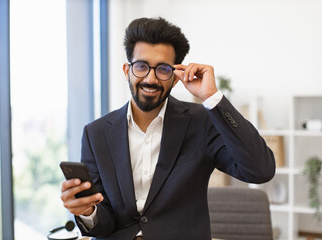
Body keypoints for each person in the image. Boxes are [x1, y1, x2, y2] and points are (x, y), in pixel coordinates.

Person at [60, 17, 275, 240]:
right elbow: (104, 225)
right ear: (127, 70)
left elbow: (260, 170)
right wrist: (87, 211)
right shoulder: (96, 133)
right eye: (141, 66)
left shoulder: (202, 122)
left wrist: (212, 98)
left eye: (163, 69)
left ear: (175, 77)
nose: (150, 79)